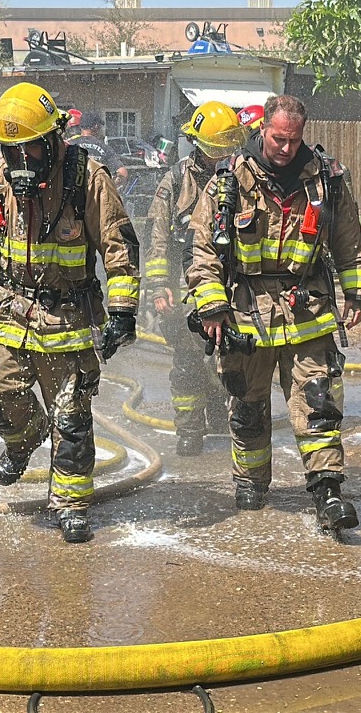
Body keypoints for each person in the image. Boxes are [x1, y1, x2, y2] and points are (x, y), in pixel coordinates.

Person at [0, 82, 141, 543]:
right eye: (10, 150)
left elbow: (119, 248)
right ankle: (25, 438)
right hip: (10, 312)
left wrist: (122, 312)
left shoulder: (87, 178)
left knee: (72, 418)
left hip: (70, 319)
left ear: (52, 138)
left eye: (28, 148)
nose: (20, 161)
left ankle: (71, 505)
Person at [185, 94, 361, 531]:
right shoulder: (229, 181)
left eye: (294, 139)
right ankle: (250, 482)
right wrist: (212, 306)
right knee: (247, 407)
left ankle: (327, 492)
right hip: (245, 312)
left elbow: (348, 240)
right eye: (278, 138)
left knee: (319, 403)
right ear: (262, 129)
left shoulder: (326, 180)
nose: (286, 148)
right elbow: (202, 250)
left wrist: (355, 293)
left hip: (308, 308)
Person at [144, 101, 247, 456]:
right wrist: (159, 287)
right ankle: (189, 431)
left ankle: (220, 417)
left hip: (229, 285)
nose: (223, 155)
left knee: (229, 358)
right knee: (188, 363)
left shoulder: (240, 178)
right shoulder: (174, 182)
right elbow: (157, 237)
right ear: (199, 146)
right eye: (217, 148)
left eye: (228, 147)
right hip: (183, 288)